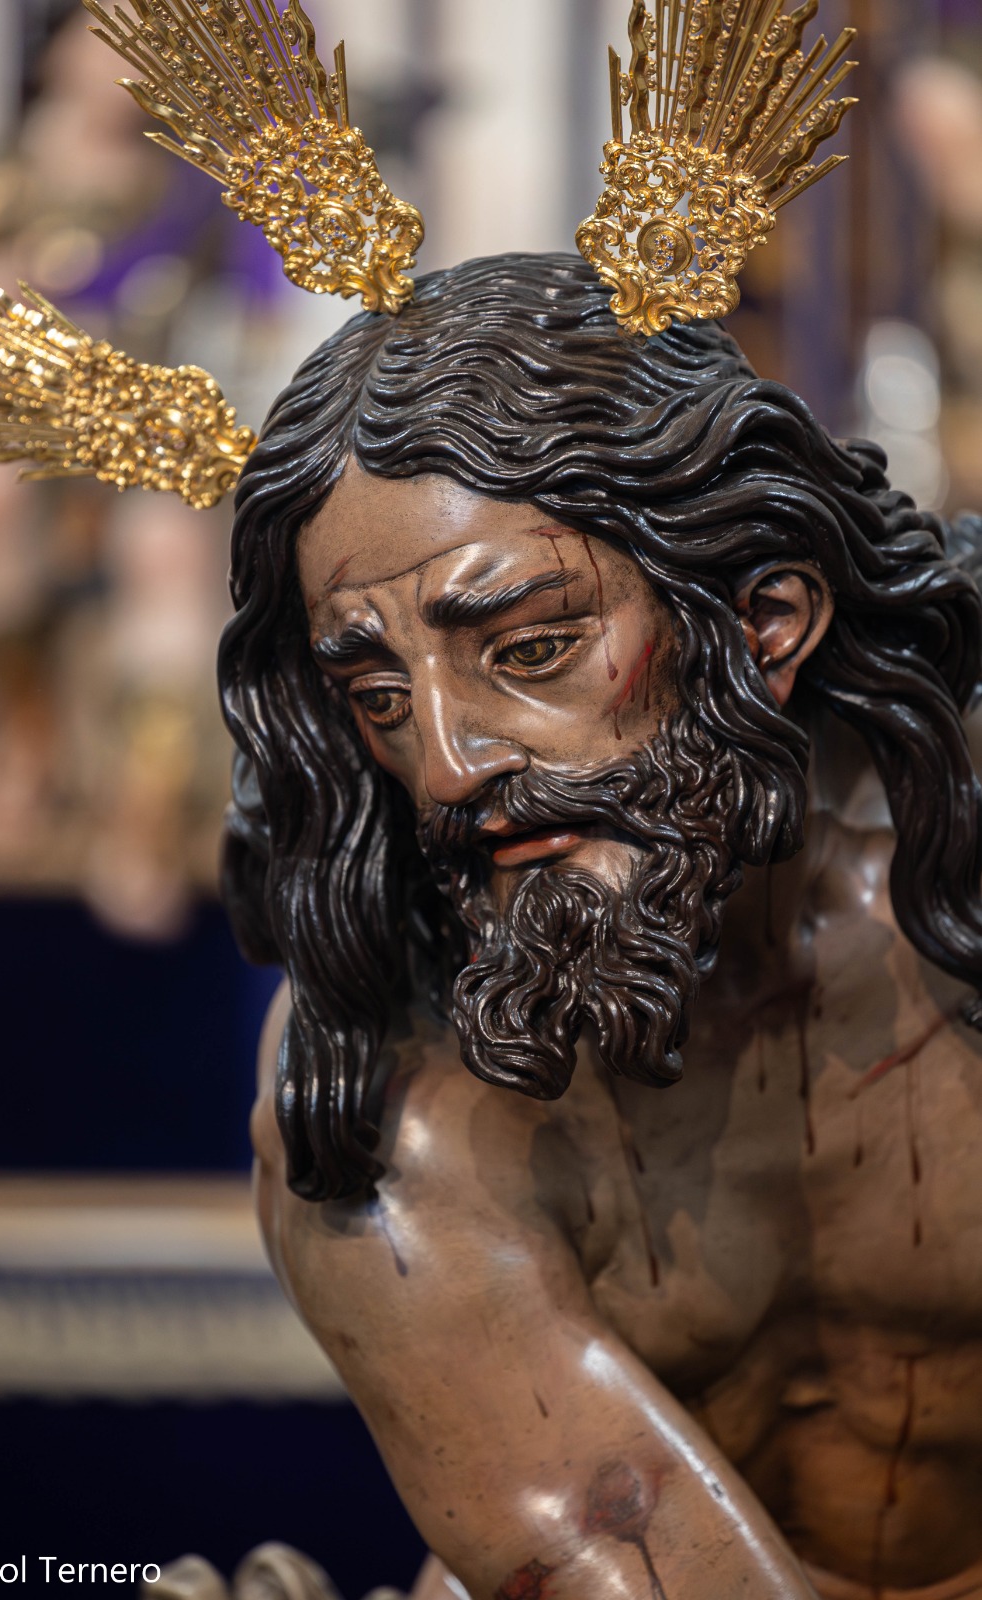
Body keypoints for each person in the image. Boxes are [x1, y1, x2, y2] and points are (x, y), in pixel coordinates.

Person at [219, 252, 982, 1600]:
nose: (447, 765)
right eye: (381, 696)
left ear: (761, 622)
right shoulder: (382, 1096)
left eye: (528, 652)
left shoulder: (952, 894)